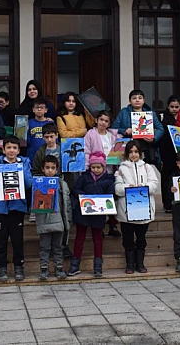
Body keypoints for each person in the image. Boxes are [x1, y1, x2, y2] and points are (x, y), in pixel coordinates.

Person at [0, 136, 33, 282]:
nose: (11, 151)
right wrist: (3, 181)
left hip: (18, 207)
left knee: (17, 239)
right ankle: (1, 267)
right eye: (9, 148)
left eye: (14, 148)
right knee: (1, 239)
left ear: (19, 150)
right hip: (1, 208)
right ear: (3, 149)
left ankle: (19, 266)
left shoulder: (25, 163)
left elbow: (28, 184)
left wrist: (19, 172)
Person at [114, 140, 160, 274]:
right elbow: (117, 188)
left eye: (136, 152)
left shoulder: (147, 167)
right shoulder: (121, 169)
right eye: (131, 152)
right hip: (127, 210)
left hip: (143, 208)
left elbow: (154, 184)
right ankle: (129, 264)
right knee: (128, 238)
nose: (133, 155)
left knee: (141, 238)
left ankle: (140, 263)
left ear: (140, 153)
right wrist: (129, 188)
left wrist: (143, 188)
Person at [68, 151, 114, 278]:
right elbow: (75, 189)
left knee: (97, 239)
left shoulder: (108, 180)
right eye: (93, 167)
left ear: (103, 167)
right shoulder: (85, 177)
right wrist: (80, 195)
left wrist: (103, 201)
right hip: (83, 212)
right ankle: (75, 264)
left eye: (98, 167)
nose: (96, 170)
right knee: (79, 238)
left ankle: (98, 265)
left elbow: (111, 194)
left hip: (98, 214)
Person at [83, 109, 122, 239]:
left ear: (109, 123)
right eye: (101, 120)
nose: (103, 123)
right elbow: (86, 152)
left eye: (106, 121)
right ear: (96, 120)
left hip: (111, 171)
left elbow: (121, 149)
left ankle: (112, 224)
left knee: (110, 198)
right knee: (98, 199)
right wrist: (87, 168)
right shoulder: (91, 134)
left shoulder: (114, 135)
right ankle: (98, 227)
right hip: (96, 172)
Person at [35, 155, 71, 280]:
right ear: (42, 169)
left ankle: (59, 267)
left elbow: (67, 203)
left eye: (53, 168)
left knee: (58, 246)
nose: (50, 170)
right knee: (44, 246)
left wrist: (68, 219)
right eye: (47, 168)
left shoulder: (62, 184)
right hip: (44, 221)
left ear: (57, 169)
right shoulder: (38, 184)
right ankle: (44, 268)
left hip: (59, 220)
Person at [112, 89, 164, 166]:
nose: (137, 100)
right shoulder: (124, 112)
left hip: (147, 148)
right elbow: (114, 128)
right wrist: (124, 131)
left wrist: (153, 138)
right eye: (134, 98)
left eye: (140, 98)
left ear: (143, 101)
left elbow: (160, 129)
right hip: (129, 147)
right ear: (130, 101)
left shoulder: (150, 114)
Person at [159, 95, 180, 213]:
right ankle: (167, 204)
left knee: (179, 176)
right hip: (166, 152)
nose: (174, 109)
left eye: (177, 107)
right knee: (167, 178)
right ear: (168, 107)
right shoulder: (163, 118)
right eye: (172, 107)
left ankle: (179, 201)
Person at [25, 97, 52, 162]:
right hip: (32, 156)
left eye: (42, 107)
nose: (39, 109)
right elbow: (25, 142)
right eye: (37, 107)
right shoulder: (28, 123)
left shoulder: (50, 123)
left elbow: (55, 140)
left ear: (46, 110)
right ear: (33, 109)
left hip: (48, 155)